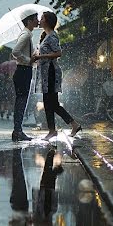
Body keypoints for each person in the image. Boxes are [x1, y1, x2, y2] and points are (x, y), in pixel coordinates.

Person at [33, 11, 81, 141]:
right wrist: (37, 57)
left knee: (51, 103)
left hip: (51, 72)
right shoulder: (45, 36)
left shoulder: (52, 36)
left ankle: (56, 130)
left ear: (47, 21)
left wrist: (40, 56)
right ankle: (68, 126)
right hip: (45, 73)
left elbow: (58, 53)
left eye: (42, 18)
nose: (40, 20)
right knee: (51, 103)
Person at [10, 13, 40, 142]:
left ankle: (18, 130)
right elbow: (15, 51)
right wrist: (28, 60)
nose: (38, 21)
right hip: (23, 71)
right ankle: (17, 131)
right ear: (29, 21)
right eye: (35, 19)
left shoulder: (27, 34)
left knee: (21, 102)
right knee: (21, 102)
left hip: (24, 70)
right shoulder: (26, 34)